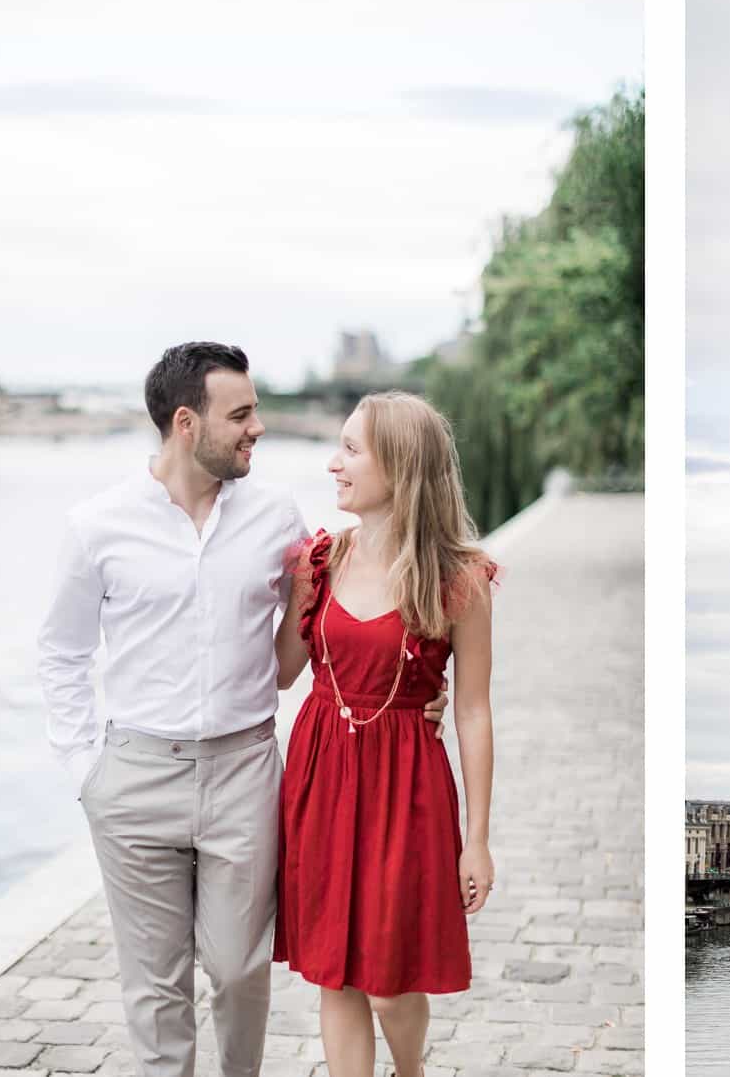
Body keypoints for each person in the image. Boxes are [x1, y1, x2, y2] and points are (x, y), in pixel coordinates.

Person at [38, 343, 448, 1077]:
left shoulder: (277, 521)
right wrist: (86, 771)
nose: (258, 426)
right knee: (155, 989)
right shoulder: (96, 525)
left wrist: (418, 678)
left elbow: (332, 622)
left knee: (237, 970)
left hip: (245, 773)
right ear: (188, 424)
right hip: (133, 778)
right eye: (243, 414)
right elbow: (61, 653)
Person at [272, 391, 496, 1077]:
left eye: (350, 450)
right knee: (333, 970)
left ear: (399, 468)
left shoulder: (459, 580)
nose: (332, 464)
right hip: (322, 774)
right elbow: (285, 673)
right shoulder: (318, 560)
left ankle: (411, 1069)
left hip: (407, 786)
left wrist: (477, 841)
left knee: (390, 982)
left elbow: (475, 711)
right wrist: (295, 604)